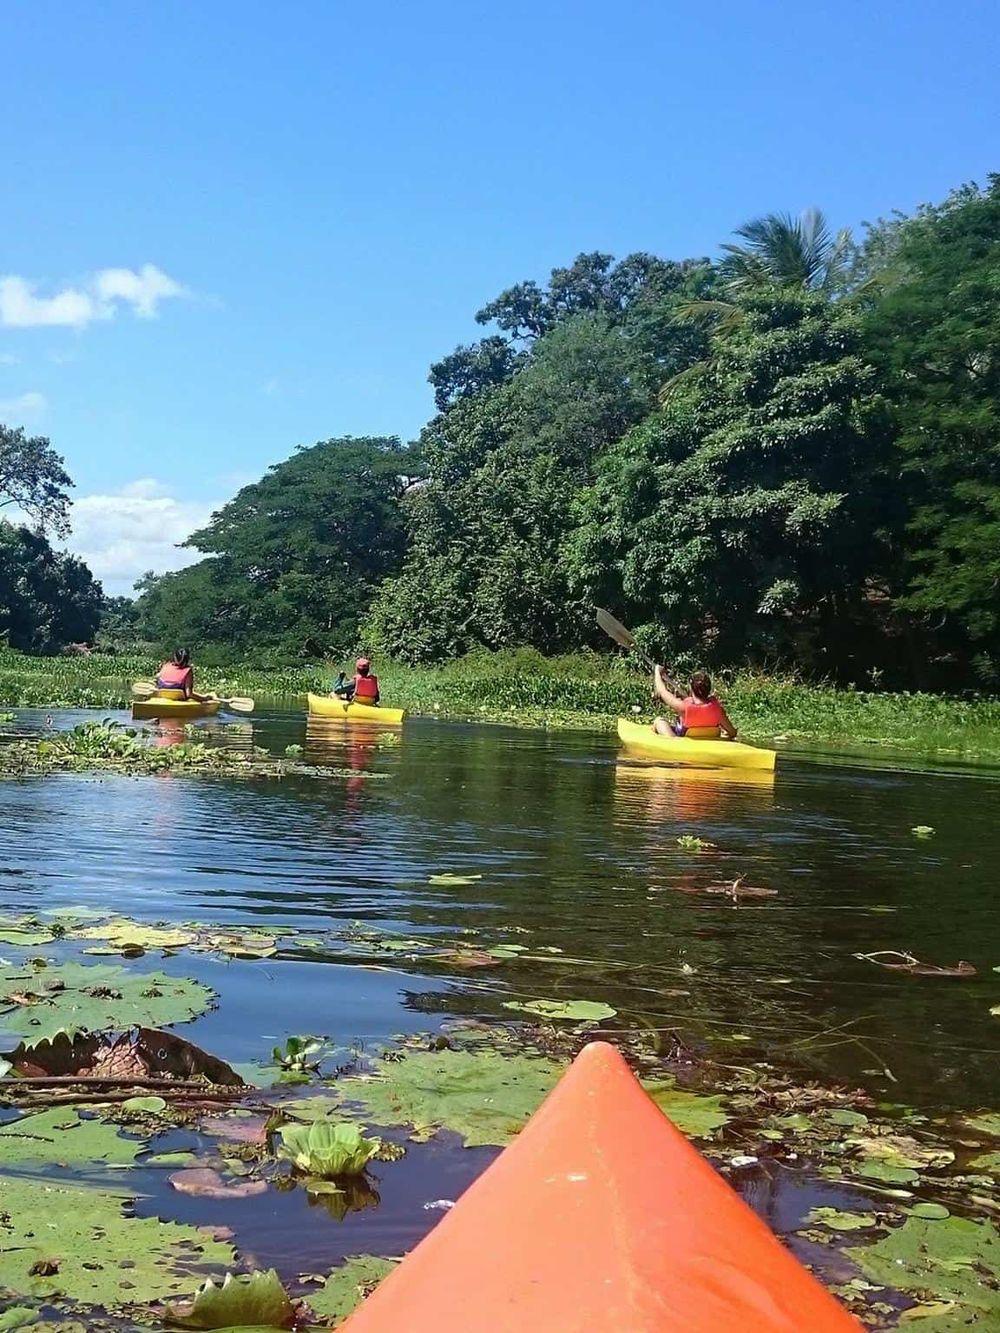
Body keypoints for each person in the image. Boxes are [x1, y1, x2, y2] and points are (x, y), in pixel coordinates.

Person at [652, 665, 737, 740]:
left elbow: (662, 692)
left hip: (684, 742)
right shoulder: (718, 710)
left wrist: (657, 672)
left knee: (659, 721)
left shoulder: (683, 708)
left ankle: (674, 743)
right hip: (710, 739)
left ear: (691, 688)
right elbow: (732, 733)